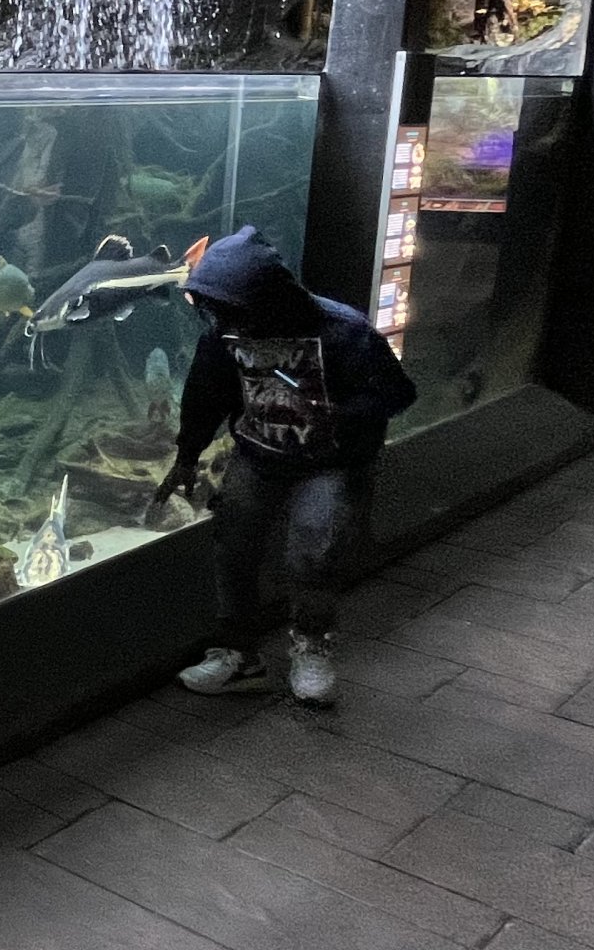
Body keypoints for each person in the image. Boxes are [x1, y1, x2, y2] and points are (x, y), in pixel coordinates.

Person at [154, 225, 416, 706]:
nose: (219, 318)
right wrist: (187, 456)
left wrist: (342, 414)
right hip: (258, 456)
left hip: (330, 463)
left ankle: (311, 646)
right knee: (233, 550)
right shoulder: (226, 333)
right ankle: (238, 657)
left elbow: (398, 393)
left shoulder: (343, 330)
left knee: (313, 553)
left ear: (265, 300)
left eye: (226, 307)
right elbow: (205, 395)